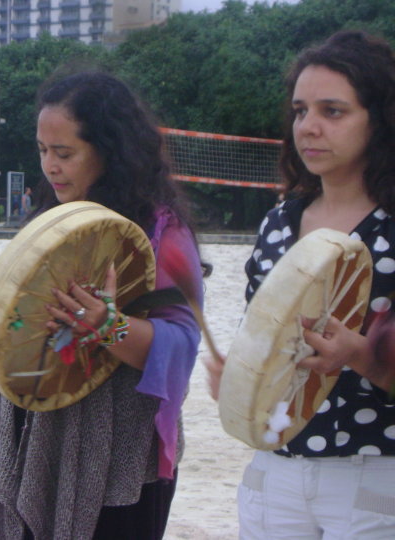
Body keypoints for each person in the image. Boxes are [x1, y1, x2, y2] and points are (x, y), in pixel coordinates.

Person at [0, 71, 203, 539]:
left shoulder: (163, 232)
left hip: (115, 456)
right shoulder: (50, 217)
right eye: (43, 151)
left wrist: (108, 326)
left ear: (109, 151)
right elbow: (9, 309)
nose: (50, 166)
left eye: (64, 153)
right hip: (29, 434)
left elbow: (182, 347)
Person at [208, 31, 395, 538]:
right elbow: (263, 334)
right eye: (299, 111)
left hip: (373, 468)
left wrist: (362, 355)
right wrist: (242, 377)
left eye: (333, 111)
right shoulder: (279, 222)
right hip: (277, 469)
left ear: (380, 119)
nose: (308, 127)